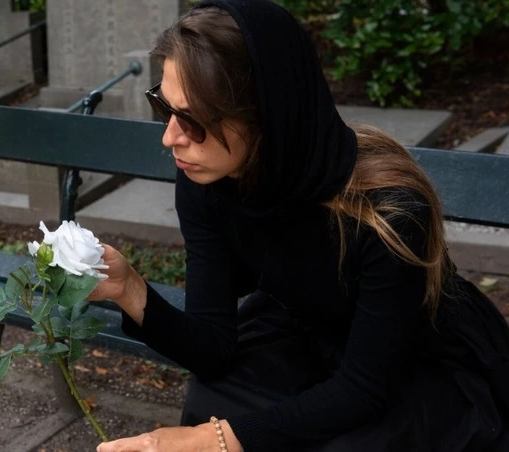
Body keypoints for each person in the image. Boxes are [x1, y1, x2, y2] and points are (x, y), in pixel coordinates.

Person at [88, 0, 509, 451]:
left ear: (267, 115)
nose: (170, 136)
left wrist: (213, 440)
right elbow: (212, 347)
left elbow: (364, 389)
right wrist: (129, 290)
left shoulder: (388, 212)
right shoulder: (209, 183)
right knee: (215, 398)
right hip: (307, 334)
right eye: (164, 106)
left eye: (192, 120)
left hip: (412, 358)